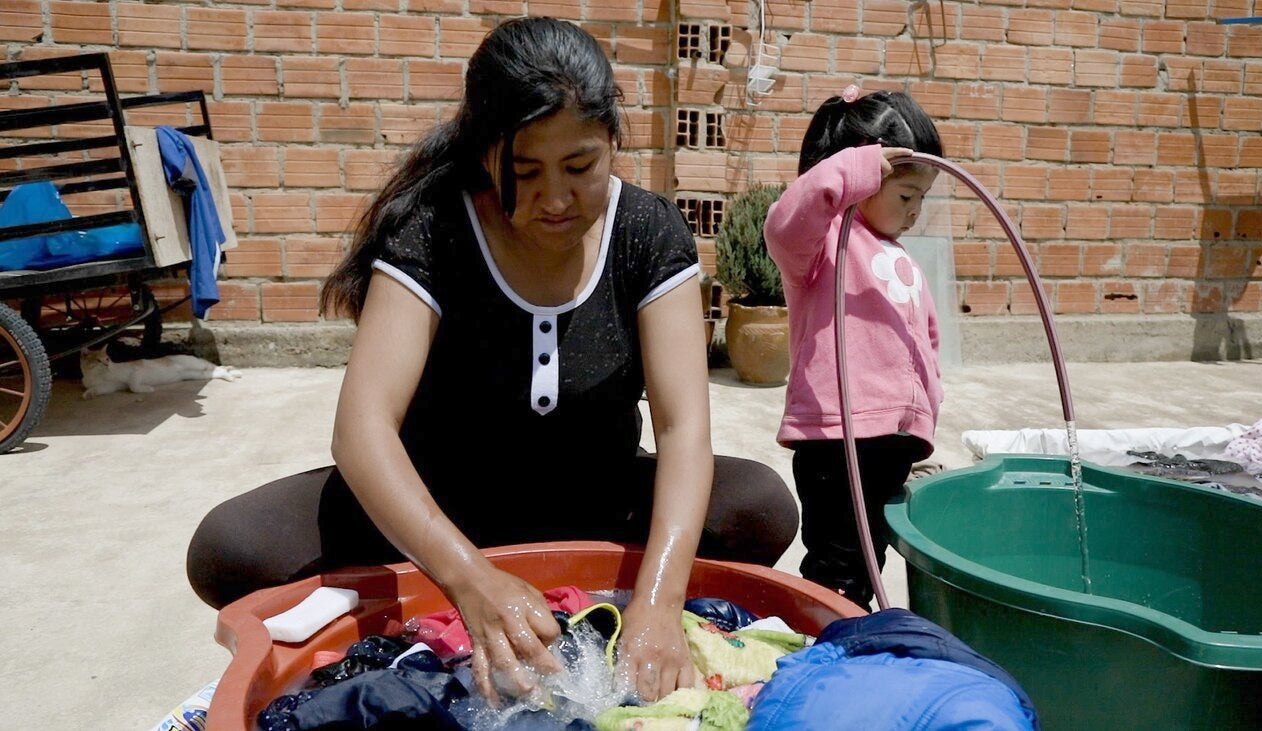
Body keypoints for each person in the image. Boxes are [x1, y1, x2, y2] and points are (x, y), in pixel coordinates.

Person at [186, 17, 797, 705]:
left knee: (758, 505)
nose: (557, 198)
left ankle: (585, 574)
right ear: (483, 154)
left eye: (581, 165)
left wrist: (658, 600)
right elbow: (362, 431)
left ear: (613, 142)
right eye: (525, 171)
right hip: (447, 502)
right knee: (228, 545)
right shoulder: (437, 230)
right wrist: (470, 580)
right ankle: (440, 577)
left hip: (592, 500)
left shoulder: (647, 233)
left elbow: (684, 428)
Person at [762, 86, 944, 608]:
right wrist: (853, 168)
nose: (914, 213)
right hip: (836, 436)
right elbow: (785, 220)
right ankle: (826, 633)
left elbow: (923, 338)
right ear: (864, 180)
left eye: (922, 200)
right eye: (906, 196)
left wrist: (924, 413)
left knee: (871, 558)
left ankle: (852, 620)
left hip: (892, 437)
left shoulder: (899, 257)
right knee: (837, 559)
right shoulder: (821, 245)